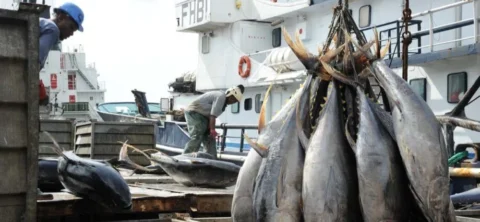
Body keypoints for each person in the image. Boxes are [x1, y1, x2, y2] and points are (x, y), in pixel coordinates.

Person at [38, 2, 84, 105]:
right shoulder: (52, 29)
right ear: (60, 17)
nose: (71, 34)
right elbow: (33, 63)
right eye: (71, 28)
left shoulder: (43, 24)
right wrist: (39, 88)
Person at [182, 85, 245, 158]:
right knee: (197, 136)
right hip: (194, 112)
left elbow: (210, 115)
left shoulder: (223, 102)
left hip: (204, 116)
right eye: (233, 99)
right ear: (229, 94)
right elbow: (213, 116)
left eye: (235, 101)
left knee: (210, 138)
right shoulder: (221, 97)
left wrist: (210, 131)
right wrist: (212, 130)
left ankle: (211, 158)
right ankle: (186, 157)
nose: (232, 102)